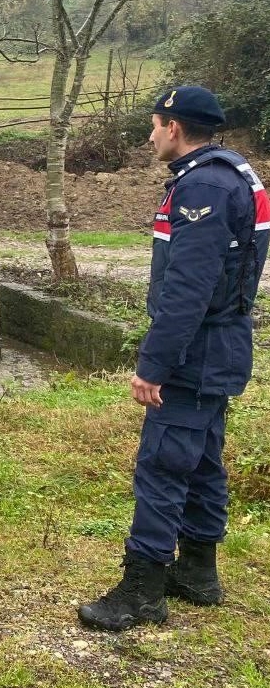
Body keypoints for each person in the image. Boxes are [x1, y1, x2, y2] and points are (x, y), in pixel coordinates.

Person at [79, 86, 269, 632]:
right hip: (222, 344)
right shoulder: (234, 173)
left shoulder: (202, 187)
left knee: (162, 465)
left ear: (175, 128)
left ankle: (142, 590)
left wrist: (153, 364)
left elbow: (188, 288)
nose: (150, 134)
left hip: (196, 350)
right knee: (203, 460)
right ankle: (199, 572)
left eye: (156, 124)